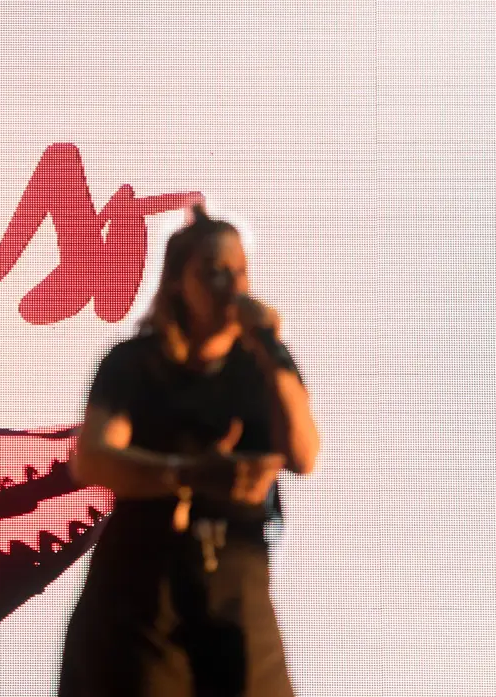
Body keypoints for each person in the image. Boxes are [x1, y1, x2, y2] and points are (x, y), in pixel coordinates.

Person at [59, 205, 320, 697]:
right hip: (142, 588)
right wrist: (189, 473)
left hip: (236, 586)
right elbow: (92, 458)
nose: (233, 286)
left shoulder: (259, 365)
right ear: (179, 282)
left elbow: (304, 455)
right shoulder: (135, 362)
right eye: (215, 272)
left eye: (240, 272)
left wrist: (271, 345)